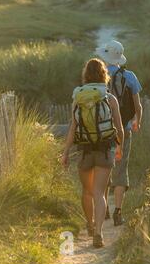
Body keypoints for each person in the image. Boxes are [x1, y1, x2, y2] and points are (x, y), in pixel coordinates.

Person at [61, 58, 124, 248]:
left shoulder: (78, 98)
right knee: (99, 193)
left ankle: (89, 224)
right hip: (105, 149)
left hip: (85, 150)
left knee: (87, 192)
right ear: (104, 74)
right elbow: (119, 128)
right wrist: (119, 147)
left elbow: (73, 127)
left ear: (86, 75)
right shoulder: (109, 98)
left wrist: (65, 152)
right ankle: (98, 233)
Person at [96, 40, 143, 226]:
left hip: (103, 130)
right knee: (121, 168)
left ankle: (104, 208)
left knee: (105, 167)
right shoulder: (130, 76)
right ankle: (118, 213)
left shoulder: (99, 76)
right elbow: (138, 105)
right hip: (124, 128)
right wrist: (137, 121)